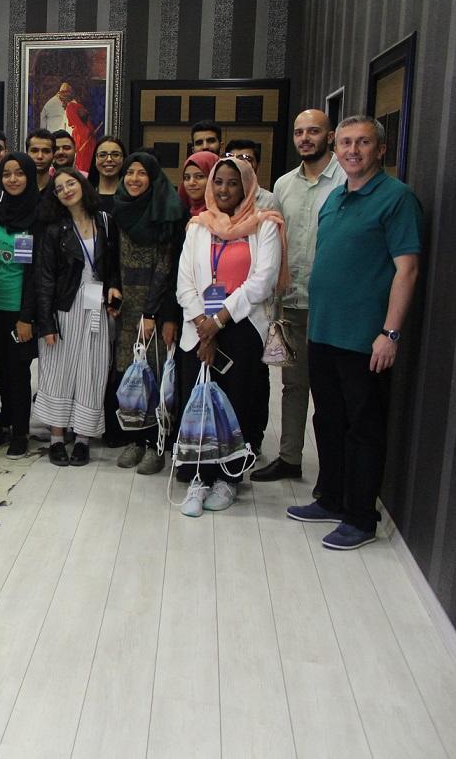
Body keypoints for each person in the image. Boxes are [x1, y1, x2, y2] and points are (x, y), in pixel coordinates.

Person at [285, 116, 421, 550]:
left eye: (362, 142)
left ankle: (361, 517)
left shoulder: (396, 198)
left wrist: (390, 333)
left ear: (380, 149)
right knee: (327, 420)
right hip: (324, 331)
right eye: (345, 143)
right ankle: (331, 497)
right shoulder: (336, 198)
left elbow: (407, 269)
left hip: (365, 339)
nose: (352, 150)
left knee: (364, 427)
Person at [175, 157, 283, 516]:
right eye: (218, 182)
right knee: (199, 404)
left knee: (236, 404)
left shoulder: (264, 226)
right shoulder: (197, 226)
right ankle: (198, 477)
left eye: (232, 183)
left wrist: (219, 320)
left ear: (247, 187)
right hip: (197, 328)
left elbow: (262, 281)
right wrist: (203, 324)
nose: (223, 189)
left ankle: (228, 478)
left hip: (241, 328)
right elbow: (185, 282)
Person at [254, 110, 346, 483]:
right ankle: (290, 458)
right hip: (291, 302)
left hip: (332, 306)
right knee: (293, 386)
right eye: (299, 132)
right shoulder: (283, 185)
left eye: (314, 131)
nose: (305, 138)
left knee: (330, 391)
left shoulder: (345, 179)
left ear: (330, 136)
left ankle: (333, 472)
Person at [32, 168, 122, 466]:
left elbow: (112, 265)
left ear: (82, 185)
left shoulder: (104, 221)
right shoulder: (53, 229)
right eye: (59, 188)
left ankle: (83, 439)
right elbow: (44, 278)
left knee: (92, 372)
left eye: (70, 183)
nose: (66, 190)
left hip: (96, 305)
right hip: (64, 306)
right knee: (57, 372)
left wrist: (113, 288)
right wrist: (46, 323)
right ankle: (57, 439)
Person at [110, 151, 186, 474]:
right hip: (126, 308)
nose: (134, 179)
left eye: (141, 173)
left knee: (156, 376)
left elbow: (167, 269)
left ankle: (158, 444)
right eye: (130, 172)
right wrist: (113, 288)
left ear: (153, 177)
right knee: (130, 374)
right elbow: (111, 256)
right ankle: (135, 439)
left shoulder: (168, 211)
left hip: (154, 308)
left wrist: (153, 313)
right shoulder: (119, 209)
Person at [0, 152, 42, 459]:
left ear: (29, 177)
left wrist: (27, 316)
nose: (13, 179)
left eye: (19, 173)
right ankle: (3, 424)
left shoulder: (37, 216)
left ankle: (20, 431)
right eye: (7, 174)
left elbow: (34, 272)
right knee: (1, 370)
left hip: (19, 310)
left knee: (19, 372)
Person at [224, 138, 276, 209]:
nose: (238, 164)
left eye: (245, 160)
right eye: (232, 160)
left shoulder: (270, 202)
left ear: (257, 166)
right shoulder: (218, 197)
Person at [88, 136, 126, 212]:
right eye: (102, 155)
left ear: (123, 159)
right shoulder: (84, 196)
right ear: (95, 159)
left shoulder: (131, 195)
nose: (109, 159)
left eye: (115, 155)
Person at [179, 150, 219, 217]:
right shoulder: (178, 214)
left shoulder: (226, 216)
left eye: (199, 176)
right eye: (187, 177)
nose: (191, 183)